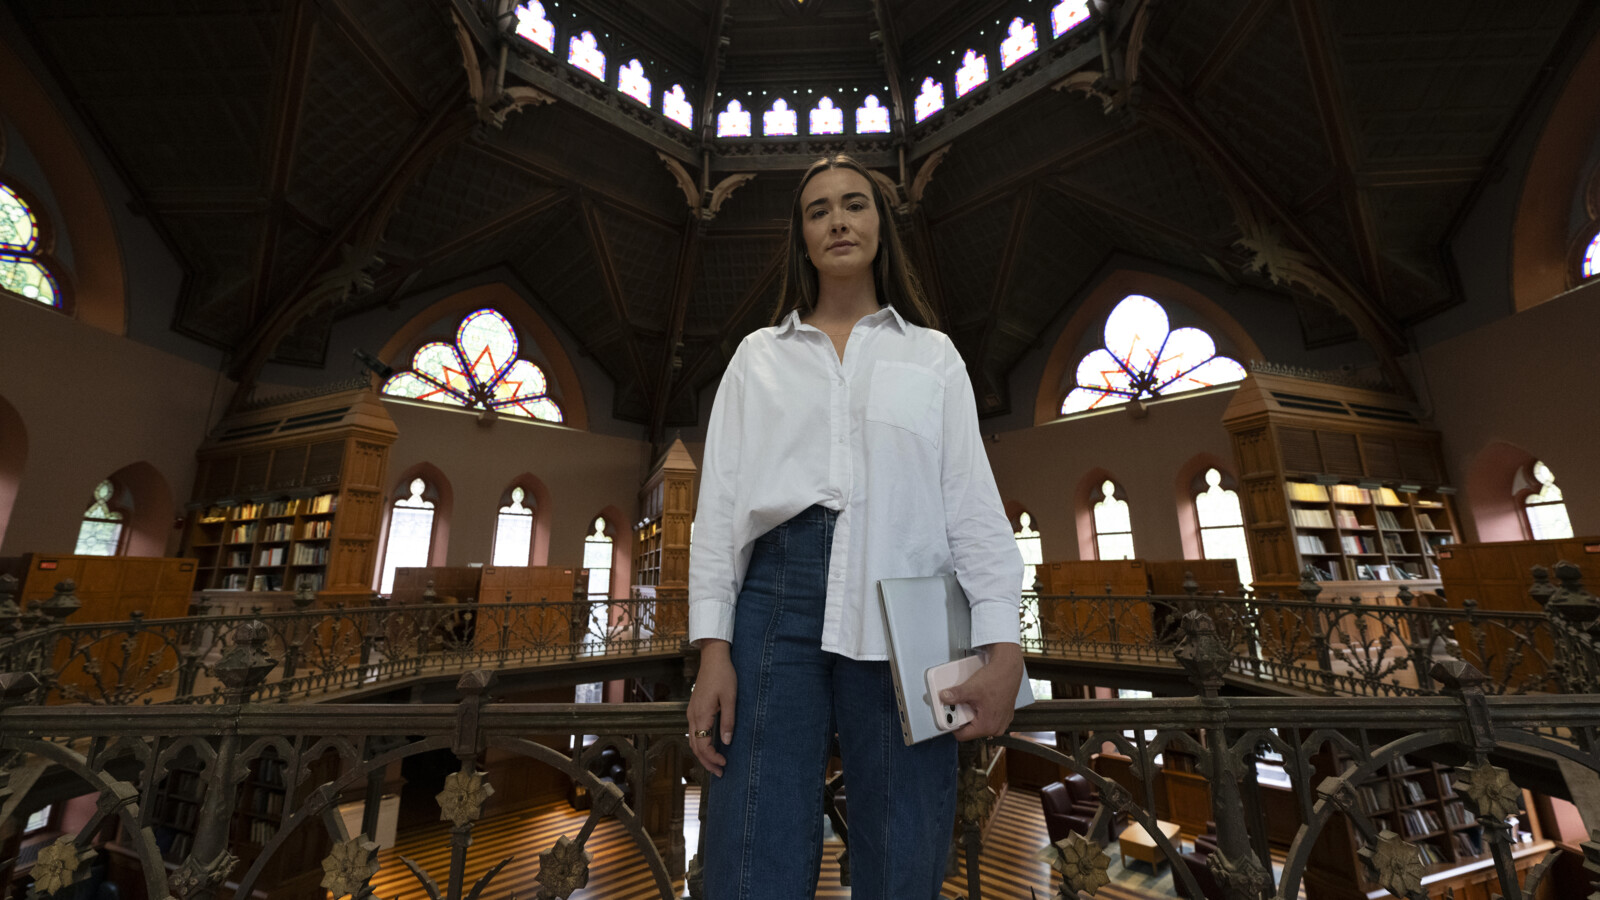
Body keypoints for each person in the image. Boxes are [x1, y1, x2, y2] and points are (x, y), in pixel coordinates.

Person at [685, 154, 1024, 900]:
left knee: (907, 842)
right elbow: (718, 517)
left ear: (880, 225)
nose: (838, 220)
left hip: (909, 603)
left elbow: (972, 507)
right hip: (775, 598)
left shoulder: (933, 357)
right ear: (801, 237)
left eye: (854, 204)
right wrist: (714, 650)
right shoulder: (756, 359)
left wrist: (1005, 646)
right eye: (818, 210)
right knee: (753, 841)